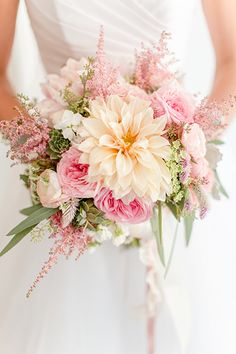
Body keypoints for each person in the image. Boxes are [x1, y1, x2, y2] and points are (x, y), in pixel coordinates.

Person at [0, 1, 236, 354]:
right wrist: (54, 155)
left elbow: (232, 58)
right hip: (68, 198)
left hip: (170, 189)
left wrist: (185, 152)